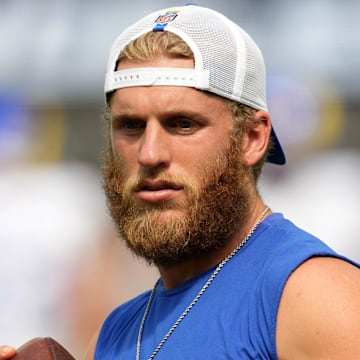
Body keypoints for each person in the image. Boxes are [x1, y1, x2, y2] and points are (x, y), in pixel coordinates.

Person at [1, 4, 359, 359]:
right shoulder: (116, 334)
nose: (150, 153)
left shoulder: (312, 297)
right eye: (131, 126)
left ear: (252, 139)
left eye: (182, 124)